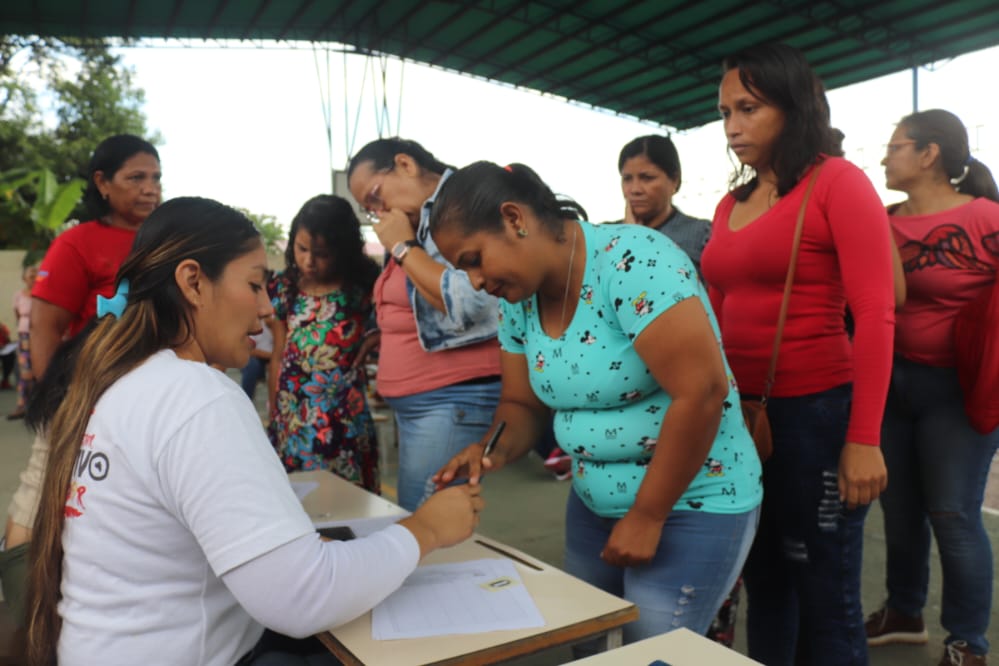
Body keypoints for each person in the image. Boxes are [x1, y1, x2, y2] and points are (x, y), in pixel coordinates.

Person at [22, 197, 483, 666]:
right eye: (254, 284)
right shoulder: (195, 396)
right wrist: (425, 529)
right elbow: (304, 597)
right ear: (193, 283)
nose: (266, 309)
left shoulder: (122, 379)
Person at [428, 161, 762, 652]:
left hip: (691, 502)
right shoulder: (519, 300)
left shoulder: (635, 262)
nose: (476, 281)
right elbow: (520, 402)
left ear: (514, 218)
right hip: (592, 504)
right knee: (588, 646)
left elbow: (702, 392)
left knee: (653, 653)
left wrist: (648, 515)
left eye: (475, 259)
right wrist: (489, 449)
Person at [701, 43, 896, 665]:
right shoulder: (730, 204)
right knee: (765, 581)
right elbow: (710, 313)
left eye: (749, 109)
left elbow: (876, 311)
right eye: (726, 111)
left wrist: (862, 438)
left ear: (794, 107)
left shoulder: (838, 182)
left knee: (826, 591)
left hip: (817, 415)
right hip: (741, 417)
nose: (733, 127)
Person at [0, 134, 161, 626]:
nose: (150, 188)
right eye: (136, 177)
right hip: (80, 396)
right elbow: (46, 325)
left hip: (149, 403)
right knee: (43, 493)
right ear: (102, 183)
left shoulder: (163, 237)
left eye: (156, 177)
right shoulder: (77, 243)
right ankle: (26, 613)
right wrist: (58, 402)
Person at [866, 109, 999, 666]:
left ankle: (967, 640)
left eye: (895, 146)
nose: (884, 156)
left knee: (952, 512)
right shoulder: (882, 221)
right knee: (899, 508)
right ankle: (904, 612)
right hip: (891, 384)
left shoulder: (986, 218)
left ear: (929, 155)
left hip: (958, 389)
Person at [346, 138, 501, 511]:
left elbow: (471, 302)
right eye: (370, 208)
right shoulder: (417, 219)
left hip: (452, 399)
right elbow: (417, 296)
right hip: (431, 402)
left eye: (375, 196)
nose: (378, 210)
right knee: (422, 518)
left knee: (428, 521)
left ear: (405, 164)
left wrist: (402, 247)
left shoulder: (463, 204)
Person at [267, 195, 382, 492]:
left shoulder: (363, 287)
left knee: (348, 504)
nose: (308, 261)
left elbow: (400, 324)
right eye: (301, 249)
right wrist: (277, 416)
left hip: (344, 418)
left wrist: (376, 337)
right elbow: (278, 356)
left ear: (342, 251)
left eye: (321, 253)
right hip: (292, 418)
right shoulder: (284, 287)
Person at [618, 134, 712, 275]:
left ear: (674, 180)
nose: (635, 189)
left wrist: (636, 240)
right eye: (627, 179)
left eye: (647, 178)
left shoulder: (701, 235)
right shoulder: (604, 236)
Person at [8, 263, 38, 420]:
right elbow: (18, 315)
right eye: (31, 276)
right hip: (24, 336)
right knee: (25, 372)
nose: (34, 279)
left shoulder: (41, 294)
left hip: (38, 335)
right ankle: (22, 405)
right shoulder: (19, 295)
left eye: (36, 275)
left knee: (39, 369)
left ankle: (37, 405)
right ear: (24, 278)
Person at [240, 314, 273, 402]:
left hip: (273, 357)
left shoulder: (277, 322)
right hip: (257, 358)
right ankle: (246, 400)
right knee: (252, 365)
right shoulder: (254, 322)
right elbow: (249, 350)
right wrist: (273, 356)